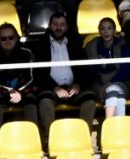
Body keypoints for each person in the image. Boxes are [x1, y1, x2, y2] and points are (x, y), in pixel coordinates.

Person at [31, 13, 96, 141]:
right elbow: (39, 73)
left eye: (62, 25)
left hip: (73, 87)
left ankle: (84, 138)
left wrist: (77, 84)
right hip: (51, 87)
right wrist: (55, 87)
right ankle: (50, 139)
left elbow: (84, 69)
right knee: (44, 101)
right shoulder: (40, 44)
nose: (58, 28)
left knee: (89, 99)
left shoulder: (75, 42)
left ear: (67, 27)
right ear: (49, 26)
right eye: (55, 24)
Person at [0, 23, 37, 133]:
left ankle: (33, 136)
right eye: (3, 38)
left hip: (22, 91)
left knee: (31, 99)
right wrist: (9, 91)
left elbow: (32, 77)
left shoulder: (27, 52)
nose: (7, 41)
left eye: (11, 37)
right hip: (2, 92)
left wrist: (20, 92)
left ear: (17, 38)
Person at [84, 18, 128, 118]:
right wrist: (102, 81)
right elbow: (91, 70)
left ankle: (108, 124)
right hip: (98, 83)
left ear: (114, 31)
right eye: (103, 29)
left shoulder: (123, 45)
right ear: (99, 31)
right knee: (120, 99)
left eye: (109, 28)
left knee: (113, 89)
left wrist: (109, 83)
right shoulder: (93, 46)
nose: (106, 31)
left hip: (121, 82)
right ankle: (117, 130)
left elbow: (125, 69)